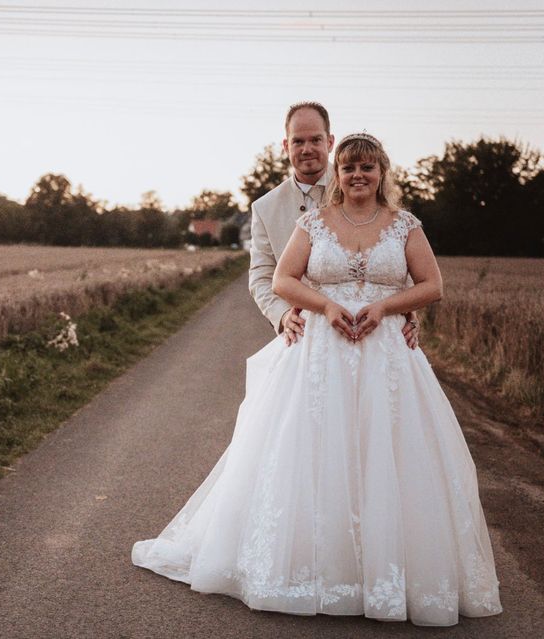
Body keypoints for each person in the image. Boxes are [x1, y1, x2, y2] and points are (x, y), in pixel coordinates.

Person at [131, 132, 503, 626]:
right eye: (349, 168)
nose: (357, 176)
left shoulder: (404, 225)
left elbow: (432, 285)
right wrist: (325, 304)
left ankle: (385, 574)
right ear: (338, 173)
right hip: (320, 353)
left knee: (387, 453)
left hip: (387, 357)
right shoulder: (313, 223)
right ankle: (315, 569)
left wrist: (388, 307)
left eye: (367, 168)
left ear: (382, 173)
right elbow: (283, 280)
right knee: (311, 453)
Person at [247, 101, 419, 348]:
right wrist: (283, 317)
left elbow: (394, 247)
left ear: (329, 142)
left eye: (315, 140)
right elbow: (262, 275)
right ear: (286, 145)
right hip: (306, 337)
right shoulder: (264, 208)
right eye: (298, 141)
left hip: (378, 334)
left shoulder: (361, 184)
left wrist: (409, 312)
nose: (307, 149)